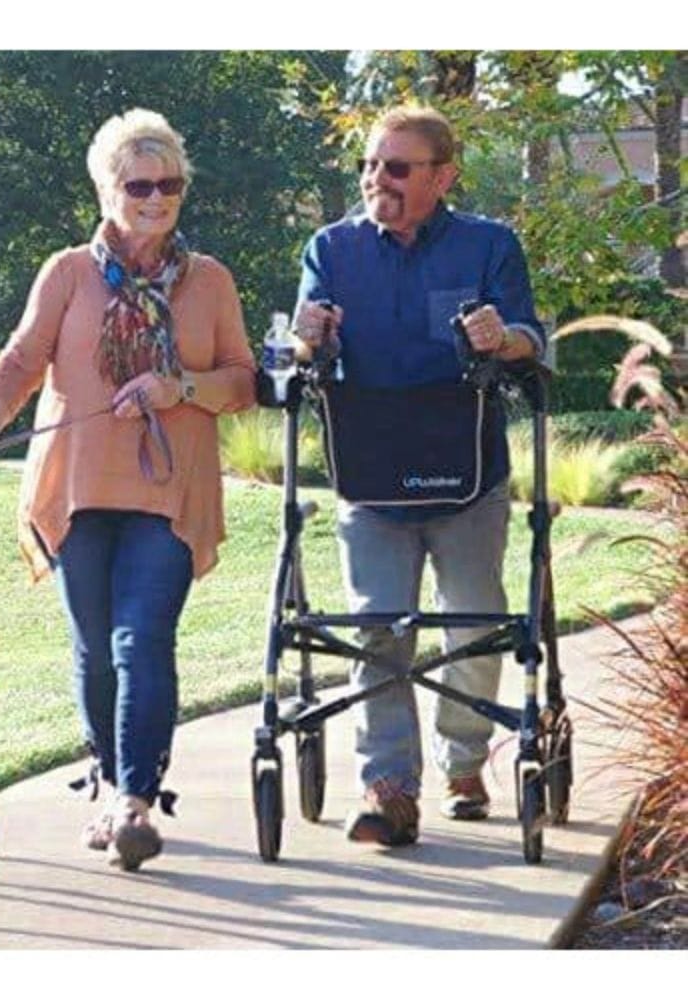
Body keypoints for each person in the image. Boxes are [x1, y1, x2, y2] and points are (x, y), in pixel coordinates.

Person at [0, 108, 255, 871]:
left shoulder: (210, 280)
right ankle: (110, 785)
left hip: (169, 492)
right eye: (139, 183)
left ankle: (134, 803)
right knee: (94, 650)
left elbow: (243, 381)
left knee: (140, 639)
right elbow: (21, 362)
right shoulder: (68, 273)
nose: (157, 198)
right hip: (77, 489)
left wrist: (178, 386)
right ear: (107, 190)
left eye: (170, 183)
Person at [292, 104, 544, 847]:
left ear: (443, 176)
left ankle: (464, 760)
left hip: (464, 466)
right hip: (368, 469)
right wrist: (308, 343)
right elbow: (306, 352)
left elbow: (531, 335)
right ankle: (389, 786)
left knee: (475, 619)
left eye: (397, 167)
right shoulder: (332, 249)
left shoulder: (488, 245)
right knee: (377, 625)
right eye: (371, 165)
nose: (378, 179)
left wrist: (506, 338)